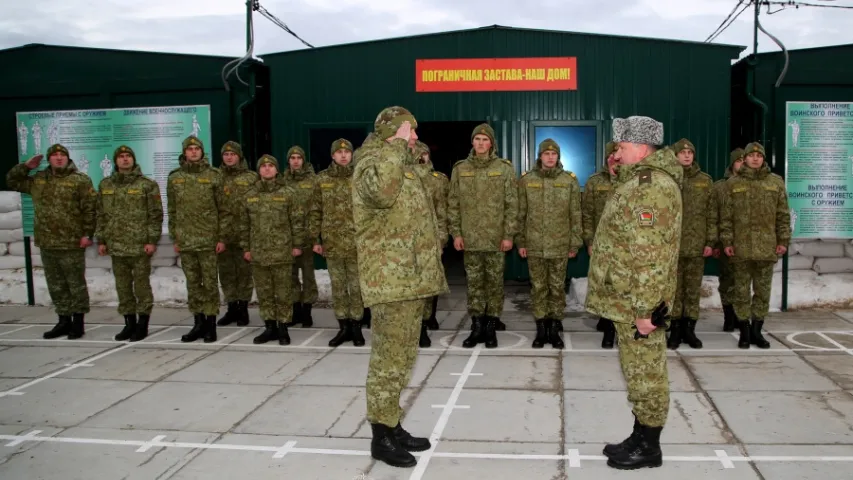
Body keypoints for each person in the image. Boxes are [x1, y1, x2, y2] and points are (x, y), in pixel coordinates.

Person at [585, 116, 683, 470]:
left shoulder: (651, 186)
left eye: (623, 147)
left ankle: (649, 446)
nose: (617, 152)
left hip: (637, 302)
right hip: (627, 298)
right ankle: (640, 434)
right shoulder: (639, 181)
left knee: (647, 373)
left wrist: (645, 310)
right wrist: (618, 174)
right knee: (637, 372)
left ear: (642, 149)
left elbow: (651, 253)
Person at [353, 106, 448, 468]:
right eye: (410, 129)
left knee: (403, 359)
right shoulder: (372, 161)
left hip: (410, 278)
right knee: (387, 361)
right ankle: (381, 436)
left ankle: (392, 424)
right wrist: (395, 146)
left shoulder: (401, 162)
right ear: (394, 131)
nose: (415, 135)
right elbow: (381, 194)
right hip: (389, 279)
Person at [6, 144, 97, 339]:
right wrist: (26, 167)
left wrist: (87, 234)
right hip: (48, 242)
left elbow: (90, 209)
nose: (58, 158)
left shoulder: (80, 180)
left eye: (62, 155)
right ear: (49, 159)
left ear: (68, 158)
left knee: (75, 284)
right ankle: (63, 321)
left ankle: (78, 323)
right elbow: (12, 181)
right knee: (56, 284)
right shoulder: (39, 180)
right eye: (54, 155)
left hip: (72, 242)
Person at [447, 123, 518, 348]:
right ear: (472, 142)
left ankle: (491, 326)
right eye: (477, 139)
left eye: (485, 140)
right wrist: (456, 233)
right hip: (471, 240)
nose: (480, 143)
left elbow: (511, 204)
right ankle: (477, 325)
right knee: (475, 285)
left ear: (491, 143)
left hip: (496, 240)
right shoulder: (460, 169)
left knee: (495, 284)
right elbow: (453, 204)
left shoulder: (504, 168)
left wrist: (508, 235)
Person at [719, 142, 790, 349]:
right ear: (745, 158)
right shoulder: (732, 184)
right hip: (741, 248)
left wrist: (783, 240)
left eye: (759, 155)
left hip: (766, 248)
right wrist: (727, 241)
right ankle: (744, 331)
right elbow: (726, 217)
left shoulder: (776, 183)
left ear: (763, 158)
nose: (756, 159)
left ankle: (757, 331)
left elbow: (783, 215)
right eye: (751, 155)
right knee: (740, 291)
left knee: (762, 291)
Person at [516, 138, 582, 349]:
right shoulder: (527, 180)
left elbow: (576, 215)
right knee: (538, 288)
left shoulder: (569, 180)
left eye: (554, 154)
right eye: (546, 154)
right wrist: (521, 241)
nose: (550, 157)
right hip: (534, 244)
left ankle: (554, 329)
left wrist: (574, 244)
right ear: (540, 156)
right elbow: (521, 214)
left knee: (556, 288)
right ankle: (541, 329)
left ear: (558, 157)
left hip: (560, 245)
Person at [95, 145, 163, 341]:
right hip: (116, 245)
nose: (125, 160)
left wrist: (151, 240)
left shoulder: (146, 185)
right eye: (121, 157)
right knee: (123, 287)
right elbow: (100, 214)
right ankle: (128, 323)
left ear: (133, 160)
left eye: (128, 156)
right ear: (116, 161)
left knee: (141, 286)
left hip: (139, 246)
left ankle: (142, 324)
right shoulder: (106, 185)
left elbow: (155, 215)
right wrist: (101, 239)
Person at [167, 136, 230, 343]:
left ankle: (211, 324)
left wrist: (221, 237)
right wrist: (176, 236)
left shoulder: (214, 176)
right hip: (186, 241)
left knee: (210, 283)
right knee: (193, 284)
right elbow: (173, 211)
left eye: (197, 149)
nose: (193, 152)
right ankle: (198, 323)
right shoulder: (174, 177)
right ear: (184, 152)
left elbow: (224, 210)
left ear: (202, 152)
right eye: (190, 149)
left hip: (208, 240)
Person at [239, 154, 305, 345]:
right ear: (258, 170)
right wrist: (246, 248)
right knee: (264, 293)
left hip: (282, 253)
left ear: (277, 170)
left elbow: (297, 222)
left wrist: (296, 245)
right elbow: (244, 225)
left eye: (271, 165)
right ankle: (270, 327)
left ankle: (283, 328)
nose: (267, 168)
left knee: (283, 293)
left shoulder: (288, 193)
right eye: (263, 166)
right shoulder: (249, 196)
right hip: (259, 253)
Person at [310, 138, 365, 347]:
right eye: (339, 152)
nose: (343, 155)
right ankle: (344, 328)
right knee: (339, 287)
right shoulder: (321, 179)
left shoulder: (360, 178)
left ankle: (357, 327)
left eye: (347, 152)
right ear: (332, 156)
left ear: (352, 155)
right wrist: (316, 239)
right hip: (332, 244)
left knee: (356, 287)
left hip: (355, 243)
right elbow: (315, 211)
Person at [667, 139, 715, 350]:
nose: (686, 156)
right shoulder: (666, 179)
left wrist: (710, 241)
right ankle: (675, 330)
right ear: (675, 155)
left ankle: (690, 329)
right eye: (682, 152)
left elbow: (712, 214)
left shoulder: (705, 181)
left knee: (693, 289)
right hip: (672, 246)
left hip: (696, 245)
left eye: (690, 152)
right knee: (674, 290)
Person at [216, 141, 257, 327]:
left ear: (239, 156)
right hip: (222, 234)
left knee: (244, 273)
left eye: (233, 154)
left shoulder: (251, 178)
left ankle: (243, 308)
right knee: (226, 273)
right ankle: (231, 308)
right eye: (226, 154)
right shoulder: (216, 177)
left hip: (244, 233)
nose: (229, 157)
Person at [582, 141, 619, 348]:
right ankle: (606, 320)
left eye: (618, 152)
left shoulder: (634, 180)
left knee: (623, 286)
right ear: (607, 158)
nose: (615, 157)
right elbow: (587, 214)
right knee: (604, 283)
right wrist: (589, 240)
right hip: (602, 243)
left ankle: (616, 326)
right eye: (612, 154)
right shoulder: (594, 182)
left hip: (626, 244)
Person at [412, 140, 449, 346]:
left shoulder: (437, 180)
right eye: (417, 153)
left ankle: (424, 324)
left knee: (427, 285)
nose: (421, 157)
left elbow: (442, 213)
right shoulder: (403, 178)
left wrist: (442, 241)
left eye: (424, 153)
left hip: (429, 241)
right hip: (406, 243)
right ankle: (413, 325)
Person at [281, 145, 318, 327]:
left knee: (308, 276)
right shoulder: (281, 181)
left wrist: (315, 236)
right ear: (288, 160)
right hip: (287, 238)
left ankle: (307, 312)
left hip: (307, 237)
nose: (296, 161)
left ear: (304, 160)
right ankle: (295, 310)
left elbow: (317, 209)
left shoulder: (313, 181)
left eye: (299, 157)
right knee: (291, 276)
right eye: (292, 157)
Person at [711, 148, 744, 331]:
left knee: (743, 282)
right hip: (725, 242)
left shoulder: (752, 185)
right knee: (727, 281)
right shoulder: (719, 187)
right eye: (738, 161)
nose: (742, 164)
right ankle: (729, 316)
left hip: (746, 242)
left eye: (744, 161)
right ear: (732, 164)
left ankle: (741, 316)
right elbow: (713, 216)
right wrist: (715, 243)